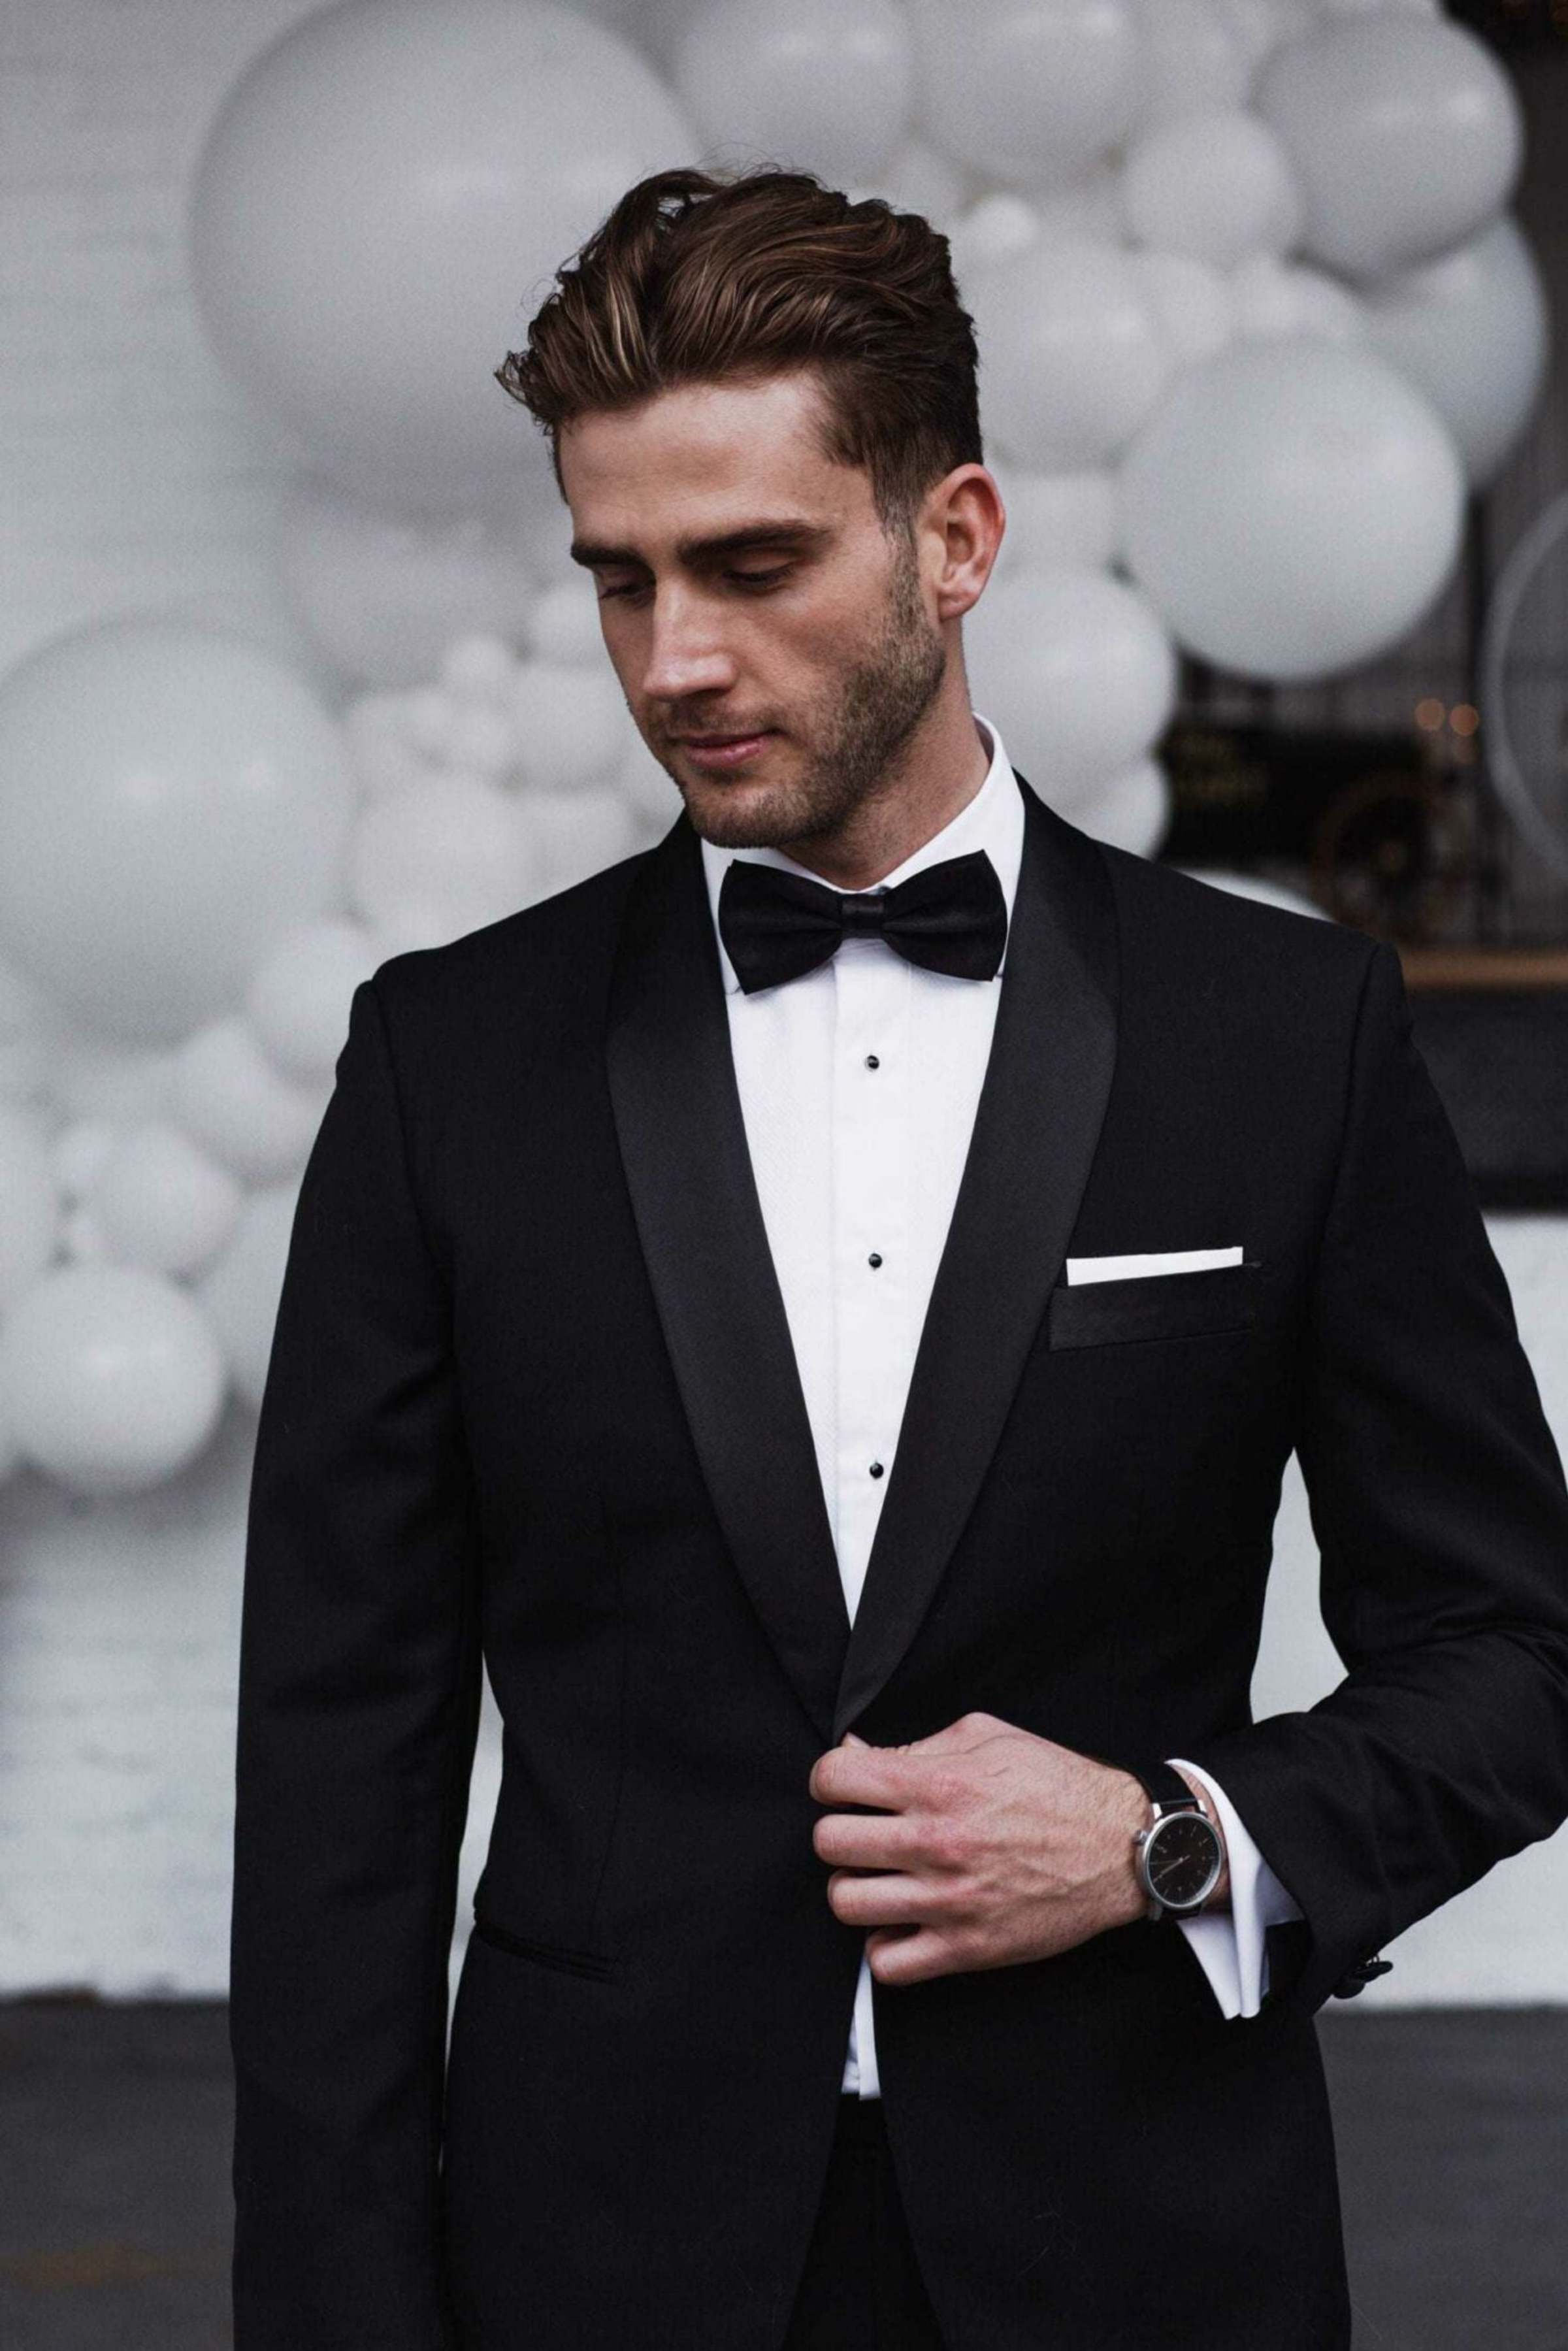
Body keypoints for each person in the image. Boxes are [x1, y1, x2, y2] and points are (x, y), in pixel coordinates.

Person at [228, 165, 1568, 2351]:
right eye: (622, 579)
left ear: (956, 538)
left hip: (1138, 2244)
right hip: (594, 2257)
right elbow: (334, 1796)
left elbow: (1518, 1648)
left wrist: (1171, 1834)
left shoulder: (1281, 1041)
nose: (676, 659)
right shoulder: (445, 1067)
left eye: (755, 566)